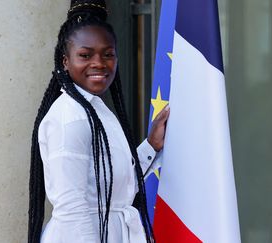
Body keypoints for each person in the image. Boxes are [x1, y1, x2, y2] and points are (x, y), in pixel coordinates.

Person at [27, 1, 169, 242]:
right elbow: (73, 211)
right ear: (65, 61)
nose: (99, 63)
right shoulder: (69, 118)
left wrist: (151, 146)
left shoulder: (96, 110)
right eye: (85, 55)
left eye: (108, 54)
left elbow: (116, 190)